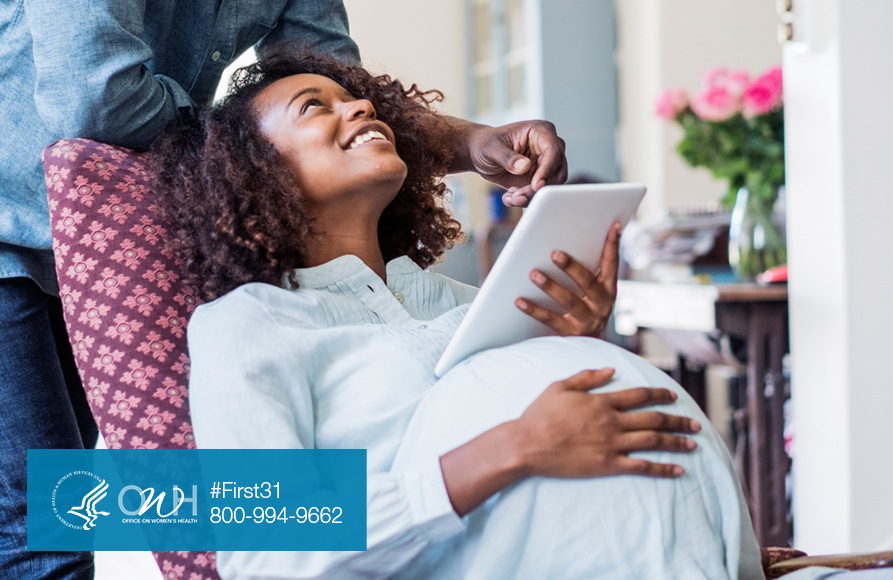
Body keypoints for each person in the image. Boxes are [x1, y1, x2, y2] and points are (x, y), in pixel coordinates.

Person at [0, 0, 566, 577]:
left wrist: (470, 144)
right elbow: (93, 100)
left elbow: (336, 80)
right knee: (44, 535)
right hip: (7, 231)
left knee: (80, 507)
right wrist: (253, 141)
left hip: (106, 246)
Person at [151, 46, 763, 580]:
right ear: (254, 171)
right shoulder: (249, 323)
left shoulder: (473, 303)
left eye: (357, 99)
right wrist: (514, 446)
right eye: (315, 107)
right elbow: (268, 552)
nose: (360, 107)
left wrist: (583, 341)